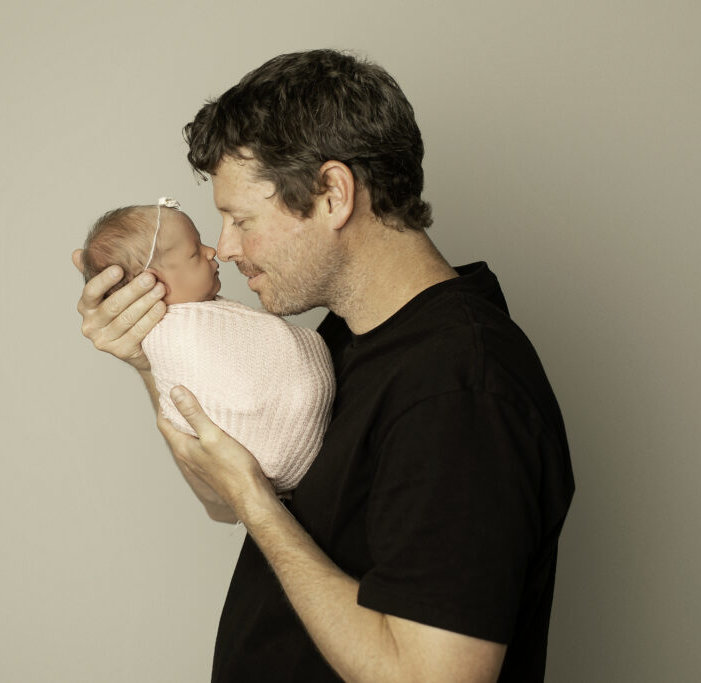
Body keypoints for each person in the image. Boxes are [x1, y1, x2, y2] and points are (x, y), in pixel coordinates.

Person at [73, 49, 574, 682]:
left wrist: (260, 506)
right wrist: (154, 356)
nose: (224, 247)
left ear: (333, 193)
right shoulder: (347, 338)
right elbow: (222, 497)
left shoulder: (460, 390)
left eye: (240, 218)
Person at [79, 197, 334, 492]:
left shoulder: (202, 317)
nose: (214, 251)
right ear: (150, 282)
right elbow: (228, 401)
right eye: (194, 253)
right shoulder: (177, 336)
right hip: (278, 450)